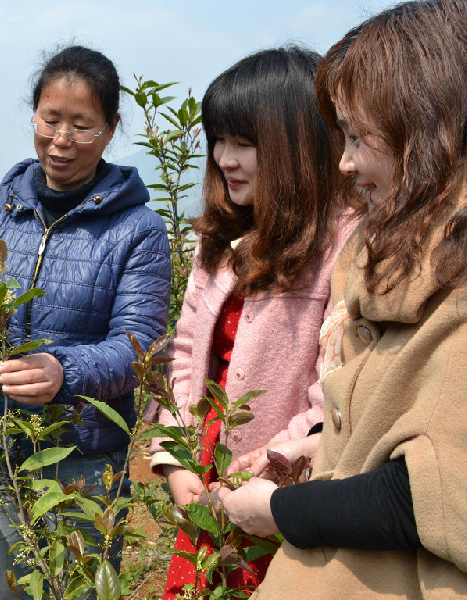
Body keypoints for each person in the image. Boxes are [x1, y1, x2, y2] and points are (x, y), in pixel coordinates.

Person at [207, 1, 467, 598]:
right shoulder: (427, 258)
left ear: (427, 124)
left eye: (358, 136)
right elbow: (409, 427)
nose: (345, 161)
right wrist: (315, 449)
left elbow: (446, 491)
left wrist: (283, 511)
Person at [0, 45, 171, 599]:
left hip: (85, 454)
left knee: (79, 589)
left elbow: (138, 347)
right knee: (12, 587)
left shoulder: (138, 230)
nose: (61, 139)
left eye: (82, 125)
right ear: (34, 116)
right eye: (51, 119)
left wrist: (60, 370)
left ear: (111, 129)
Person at [144, 46, 358, 598]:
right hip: (207, 471)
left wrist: (260, 475)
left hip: (286, 491)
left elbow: (334, 391)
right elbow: (188, 353)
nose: (224, 158)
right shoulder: (220, 240)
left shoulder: (345, 246)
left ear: (298, 147)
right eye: (218, 140)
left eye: (243, 142)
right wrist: (177, 462)